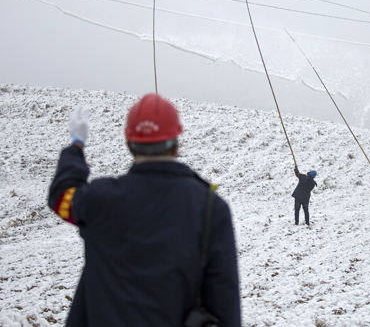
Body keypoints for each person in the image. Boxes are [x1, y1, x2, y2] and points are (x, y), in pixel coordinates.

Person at [47, 95, 241, 327]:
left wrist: (76, 146)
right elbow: (224, 299)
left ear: (129, 143)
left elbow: (61, 197)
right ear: (176, 142)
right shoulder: (211, 208)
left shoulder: (99, 199)